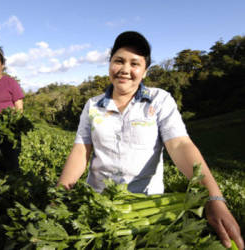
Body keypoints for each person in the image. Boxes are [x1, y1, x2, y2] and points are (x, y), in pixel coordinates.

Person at [58, 31, 244, 249]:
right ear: (109, 64)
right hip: (97, 205)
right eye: (118, 61)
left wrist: (214, 197)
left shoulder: (160, 100)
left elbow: (180, 145)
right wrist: (60, 194)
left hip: (148, 207)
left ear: (145, 71)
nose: (125, 70)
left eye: (134, 63)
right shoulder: (93, 105)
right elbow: (81, 151)